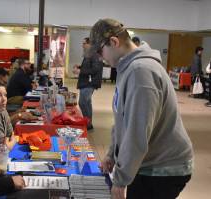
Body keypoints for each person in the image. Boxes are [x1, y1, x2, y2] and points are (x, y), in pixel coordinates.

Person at [90, 18, 193, 199]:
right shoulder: (127, 68)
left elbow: (137, 133)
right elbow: (122, 121)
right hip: (149, 161)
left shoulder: (140, 71)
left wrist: (120, 181)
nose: (100, 57)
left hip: (163, 168)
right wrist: (112, 155)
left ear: (114, 42)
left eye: (100, 51)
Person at [73, 37, 103, 130]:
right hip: (86, 82)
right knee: (86, 103)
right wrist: (80, 66)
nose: (82, 45)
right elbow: (89, 66)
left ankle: (87, 123)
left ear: (90, 44)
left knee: (83, 102)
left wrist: (80, 71)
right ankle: (88, 123)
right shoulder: (89, 54)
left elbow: (95, 69)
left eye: (84, 43)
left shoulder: (94, 55)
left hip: (89, 83)